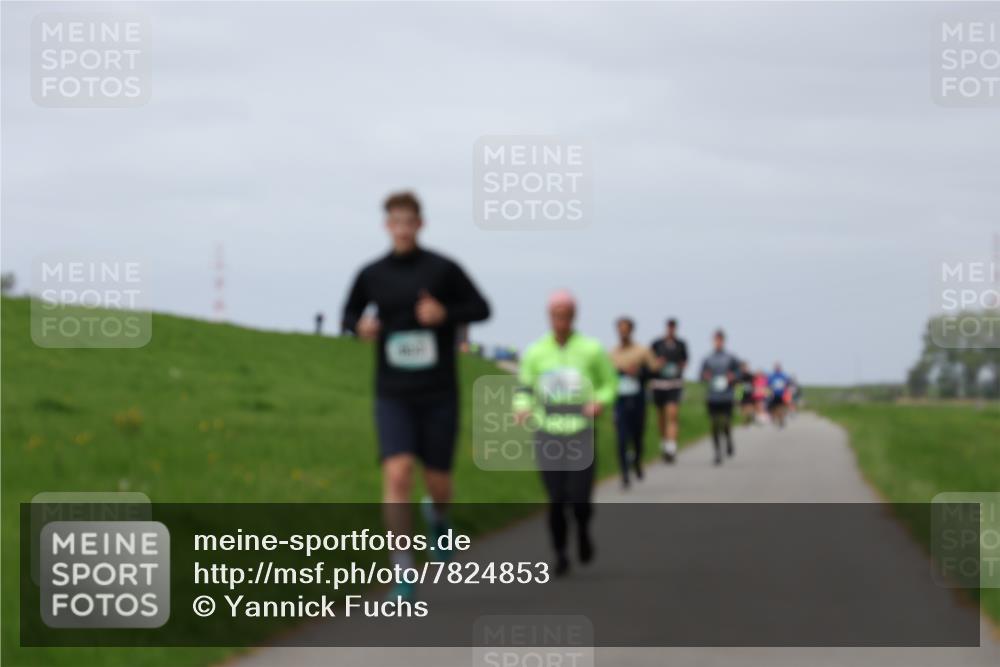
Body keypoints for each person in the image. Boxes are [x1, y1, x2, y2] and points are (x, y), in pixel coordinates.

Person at [341, 191, 491, 600]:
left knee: (439, 482)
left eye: (410, 221)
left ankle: (438, 518)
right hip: (393, 392)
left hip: (439, 392)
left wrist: (445, 315)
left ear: (420, 224)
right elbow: (349, 316)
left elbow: (481, 308)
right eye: (396, 222)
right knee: (397, 472)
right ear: (386, 226)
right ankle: (402, 572)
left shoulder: (443, 269)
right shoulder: (371, 274)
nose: (403, 229)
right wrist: (361, 327)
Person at [514, 290, 617, 576]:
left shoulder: (592, 349)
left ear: (574, 316)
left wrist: (601, 401)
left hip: (580, 432)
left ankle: (583, 531)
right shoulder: (536, 352)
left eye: (566, 314)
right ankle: (560, 553)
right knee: (557, 498)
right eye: (556, 315)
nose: (561, 320)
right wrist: (522, 407)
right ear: (549, 317)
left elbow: (609, 382)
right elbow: (524, 387)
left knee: (580, 498)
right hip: (548, 432)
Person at [609, 317, 659, 488]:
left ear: (631, 331)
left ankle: (637, 460)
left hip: (638, 398)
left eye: (626, 329)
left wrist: (639, 371)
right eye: (620, 329)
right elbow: (607, 376)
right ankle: (624, 474)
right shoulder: (612, 353)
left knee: (637, 436)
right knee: (621, 438)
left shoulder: (642, 351)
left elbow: (654, 371)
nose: (623, 333)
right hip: (620, 400)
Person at [649, 318, 688, 463]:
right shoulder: (656, 344)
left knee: (672, 414)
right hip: (659, 384)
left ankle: (671, 446)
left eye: (673, 327)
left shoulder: (681, 345)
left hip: (674, 383)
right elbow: (650, 362)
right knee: (661, 416)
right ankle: (664, 442)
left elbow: (685, 361)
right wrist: (657, 364)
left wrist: (680, 367)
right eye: (669, 327)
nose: (671, 329)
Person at [700, 329, 740, 465]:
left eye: (720, 340)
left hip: (727, 396)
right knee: (714, 424)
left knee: (726, 423)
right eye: (716, 340)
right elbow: (701, 376)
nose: (718, 342)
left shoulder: (731, 358)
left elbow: (739, 373)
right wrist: (705, 376)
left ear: (723, 341)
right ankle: (717, 452)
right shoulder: (707, 359)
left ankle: (728, 440)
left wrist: (733, 377)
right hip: (712, 396)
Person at [767, 363, 791, 428]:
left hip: (781, 395)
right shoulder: (772, 376)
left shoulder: (783, 376)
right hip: (774, 395)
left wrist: (787, 394)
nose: (777, 369)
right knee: (773, 408)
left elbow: (787, 385)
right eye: (776, 368)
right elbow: (769, 386)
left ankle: (781, 420)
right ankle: (777, 419)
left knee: (781, 408)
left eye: (778, 368)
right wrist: (769, 393)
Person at [737, 360, 756, 425]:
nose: (744, 368)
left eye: (745, 367)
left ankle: (749, 417)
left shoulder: (750, 375)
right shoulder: (738, 376)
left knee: (749, 407)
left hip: (749, 394)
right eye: (742, 367)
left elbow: (754, 384)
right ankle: (745, 420)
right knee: (742, 408)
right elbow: (737, 385)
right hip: (741, 394)